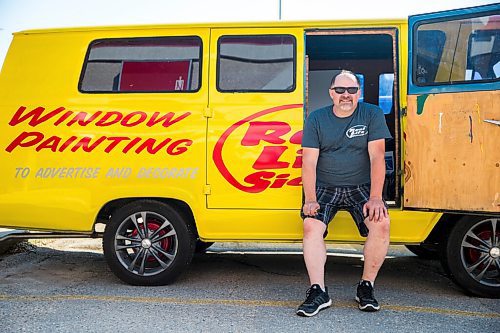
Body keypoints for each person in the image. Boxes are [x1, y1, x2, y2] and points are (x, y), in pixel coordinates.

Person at [296, 70, 391, 317]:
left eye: (351, 90)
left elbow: (377, 156)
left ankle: (366, 287)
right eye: (340, 90)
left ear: (359, 93)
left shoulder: (372, 114)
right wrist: (310, 200)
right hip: (325, 187)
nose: (345, 95)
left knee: (381, 224)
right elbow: (308, 162)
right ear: (331, 93)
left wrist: (376, 196)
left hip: (361, 187)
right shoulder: (316, 119)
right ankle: (318, 291)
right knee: (311, 226)